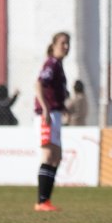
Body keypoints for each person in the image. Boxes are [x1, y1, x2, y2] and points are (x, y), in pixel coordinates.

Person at [33, 32, 70, 212]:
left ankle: (46, 200)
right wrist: (46, 108)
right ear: (54, 44)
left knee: (56, 157)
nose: (66, 46)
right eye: (62, 43)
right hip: (47, 115)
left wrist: (63, 108)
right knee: (48, 156)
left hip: (54, 113)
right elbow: (38, 84)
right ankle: (41, 201)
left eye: (67, 43)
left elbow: (55, 91)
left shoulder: (59, 65)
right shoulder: (52, 63)